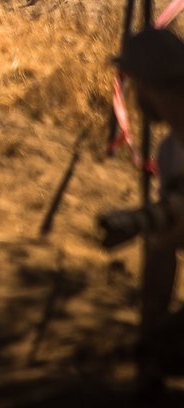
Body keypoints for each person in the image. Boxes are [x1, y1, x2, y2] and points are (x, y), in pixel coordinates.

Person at [109, 27, 184, 399]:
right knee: (160, 346)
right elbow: (165, 251)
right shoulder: (171, 150)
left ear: (153, 88)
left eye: (137, 85)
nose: (135, 97)